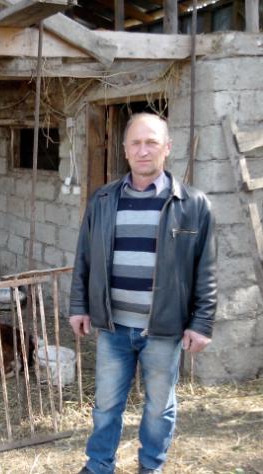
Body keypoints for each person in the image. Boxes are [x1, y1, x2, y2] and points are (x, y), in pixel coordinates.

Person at [69, 113, 217, 474]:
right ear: (124, 149)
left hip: (163, 330)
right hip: (114, 327)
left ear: (167, 148)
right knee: (106, 405)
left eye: (151, 142)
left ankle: (151, 467)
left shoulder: (193, 204)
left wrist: (201, 323)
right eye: (135, 143)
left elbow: (206, 269)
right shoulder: (103, 199)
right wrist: (79, 306)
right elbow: (84, 257)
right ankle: (99, 465)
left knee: (158, 407)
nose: (143, 150)